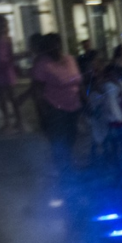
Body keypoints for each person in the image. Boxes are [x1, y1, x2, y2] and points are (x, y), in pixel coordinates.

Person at [27, 34, 83, 167]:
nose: (55, 48)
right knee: (59, 140)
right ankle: (64, 171)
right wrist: (42, 111)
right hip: (55, 108)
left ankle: (67, 165)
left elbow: (79, 81)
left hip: (74, 106)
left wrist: (85, 99)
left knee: (71, 137)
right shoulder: (43, 64)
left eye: (57, 44)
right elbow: (37, 89)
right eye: (51, 46)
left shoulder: (70, 59)